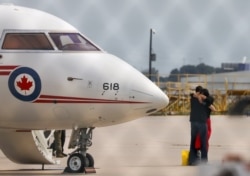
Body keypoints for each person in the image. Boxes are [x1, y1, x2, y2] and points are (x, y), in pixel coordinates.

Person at [188, 85, 208, 165]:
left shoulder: (192, 98)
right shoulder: (203, 99)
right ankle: (204, 161)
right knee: (203, 142)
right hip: (201, 122)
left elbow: (191, 94)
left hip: (193, 121)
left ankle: (192, 160)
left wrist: (196, 94)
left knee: (192, 141)